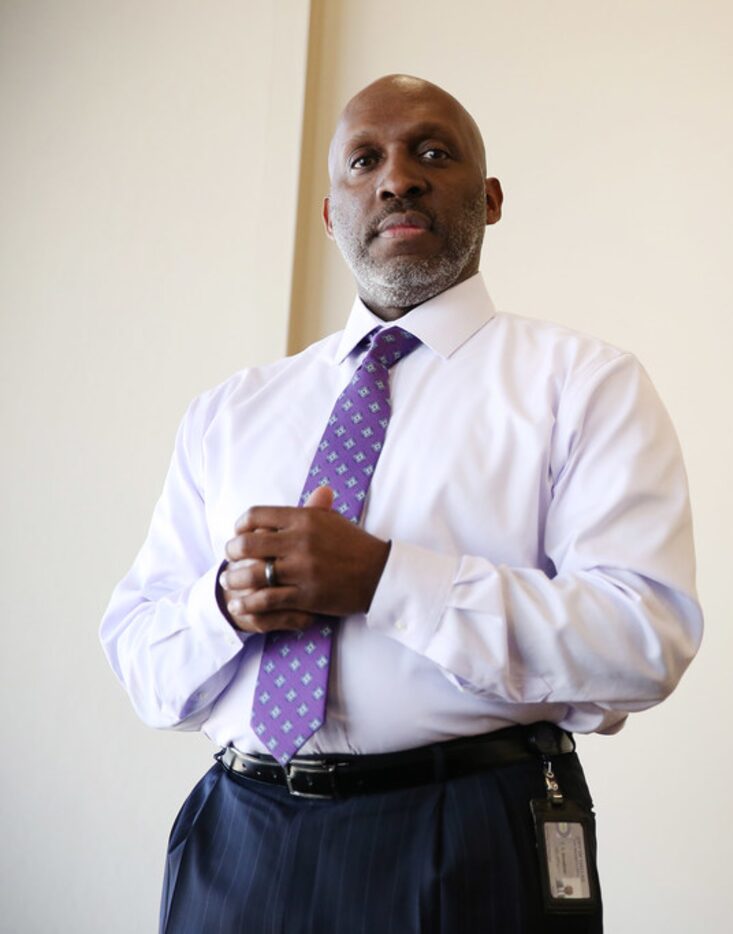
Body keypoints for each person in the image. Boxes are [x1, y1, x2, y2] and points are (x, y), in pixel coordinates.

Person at [99, 74, 702, 933]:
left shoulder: (584, 385)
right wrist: (224, 605)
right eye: (364, 160)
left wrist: (386, 579)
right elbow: (141, 660)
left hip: (466, 836)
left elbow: (644, 640)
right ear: (329, 213)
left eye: (432, 152)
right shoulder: (232, 410)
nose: (396, 178)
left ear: (489, 200)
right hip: (238, 837)